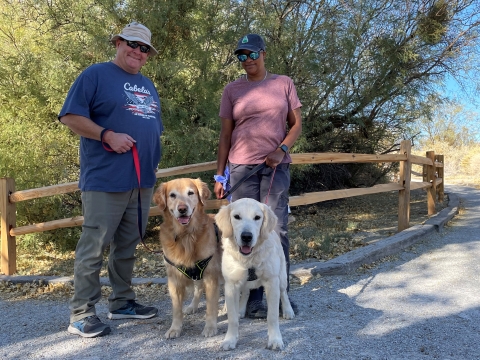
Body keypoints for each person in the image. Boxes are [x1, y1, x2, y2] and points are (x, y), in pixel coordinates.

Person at [58, 22, 164, 338]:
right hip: (105, 179)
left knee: (127, 245)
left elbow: (150, 126)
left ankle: (122, 302)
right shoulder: (95, 75)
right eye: (132, 44)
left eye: (144, 48)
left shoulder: (147, 84)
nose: (138, 51)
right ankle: (81, 314)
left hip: (142, 180)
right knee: (94, 247)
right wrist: (107, 134)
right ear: (118, 43)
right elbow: (70, 116)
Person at [214, 33, 302, 318]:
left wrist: (282, 148)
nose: (247, 60)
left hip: (275, 166)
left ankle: (278, 293)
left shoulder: (283, 83)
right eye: (241, 56)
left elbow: (296, 124)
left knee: (275, 229)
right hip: (241, 168)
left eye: (252, 54)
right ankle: (252, 298)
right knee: (243, 232)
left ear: (264, 54)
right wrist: (220, 176)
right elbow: (225, 135)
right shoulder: (232, 90)